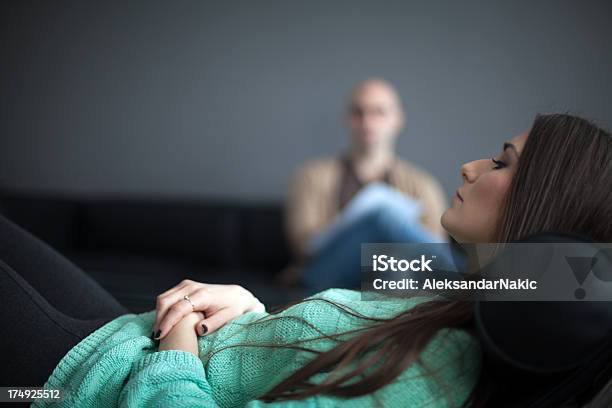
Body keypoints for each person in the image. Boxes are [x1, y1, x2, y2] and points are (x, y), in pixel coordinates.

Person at [0, 113, 609, 407]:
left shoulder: (428, 381)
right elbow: (315, 285)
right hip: (126, 342)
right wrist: (253, 312)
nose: (471, 166)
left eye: (501, 163)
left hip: (76, 387)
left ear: (543, 207)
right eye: (360, 112)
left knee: (382, 204)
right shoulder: (320, 179)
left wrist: (180, 338)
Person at [282, 78, 448, 289]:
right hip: (326, 272)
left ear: (397, 120)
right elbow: (304, 246)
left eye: (379, 112)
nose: (367, 122)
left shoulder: (423, 184)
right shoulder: (310, 176)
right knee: (382, 216)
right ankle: (477, 281)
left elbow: (434, 249)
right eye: (358, 113)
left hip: (393, 272)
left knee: (395, 268)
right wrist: (359, 227)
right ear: (346, 119)